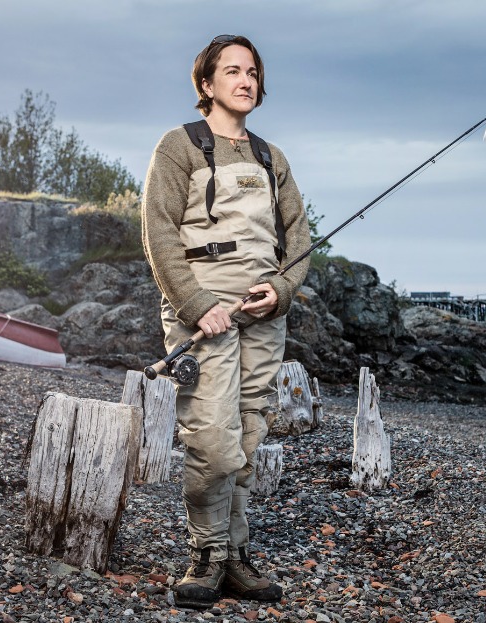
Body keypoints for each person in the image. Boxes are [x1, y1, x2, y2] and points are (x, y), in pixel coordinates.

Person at [141, 34, 311, 609]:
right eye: (232, 71)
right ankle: (206, 555)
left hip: (263, 316)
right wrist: (197, 305)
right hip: (203, 315)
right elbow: (158, 234)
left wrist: (280, 291)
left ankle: (235, 557)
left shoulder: (271, 157)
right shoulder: (178, 146)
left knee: (248, 437)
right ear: (206, 84)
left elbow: (300, 241)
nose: (245, 81)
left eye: (253, 72)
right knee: (213, 442)